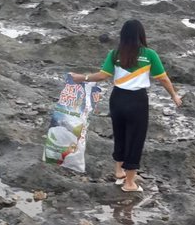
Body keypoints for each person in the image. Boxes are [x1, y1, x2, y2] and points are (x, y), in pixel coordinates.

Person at [69, 18, 182, 192]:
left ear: (123, 35)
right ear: (141, 34)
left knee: (120, 134)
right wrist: (174, 95)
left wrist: (80, 78)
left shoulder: (115, 54)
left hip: (117, 99)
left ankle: (119, 172)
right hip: (137, 101)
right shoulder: (149, 54)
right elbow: (163, 78)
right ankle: (130, 183)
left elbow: (102, 76)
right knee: (135, 139)